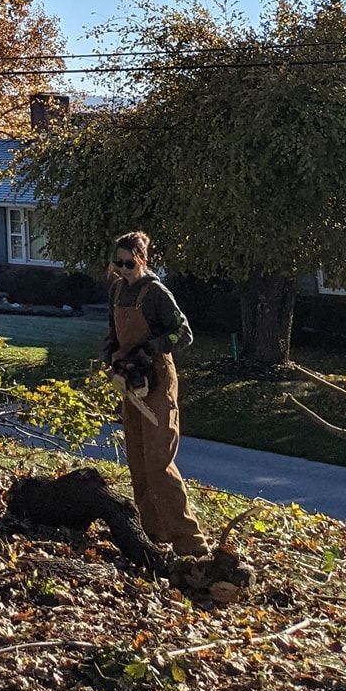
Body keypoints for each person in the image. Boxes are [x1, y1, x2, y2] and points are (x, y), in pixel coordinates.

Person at [103, 230, 207, 557]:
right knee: (137, 459)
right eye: (117, 263)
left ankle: (190, 543)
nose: (122, 269)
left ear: (143, 260)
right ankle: (152, 536)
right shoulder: (118, 291)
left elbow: (184, 333)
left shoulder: (157, 294)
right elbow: (112, 334)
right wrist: (112, 359)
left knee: (159, 462)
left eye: (128, 263)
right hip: (130, 383)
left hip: (157, 381)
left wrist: (150, 349)